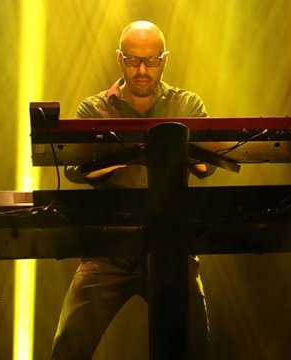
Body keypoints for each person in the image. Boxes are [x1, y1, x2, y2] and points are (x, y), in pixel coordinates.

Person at [52, 20, 212, 359]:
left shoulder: (187, 105)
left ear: (165, 60)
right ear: (119, 59)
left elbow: (207, 166)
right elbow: (73, 170)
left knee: (196, 348)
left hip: (172, 246)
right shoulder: (93, 109)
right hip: (109, 249)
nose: (141, 70)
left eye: (151, 61)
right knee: (68, 348)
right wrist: (144, 151)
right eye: (132, 60)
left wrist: (120, 154)